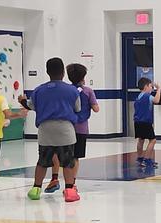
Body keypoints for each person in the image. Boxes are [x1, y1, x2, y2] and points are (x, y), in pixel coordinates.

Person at [18, 57, 82, 202]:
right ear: (63, 72)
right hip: (65, 130)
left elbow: (31, 105)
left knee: (42, 161)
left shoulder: (39, 90)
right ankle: (70, 191)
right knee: (67, 162)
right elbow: (77, 108)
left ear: (47, 72)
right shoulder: (71, 90)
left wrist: (22, 100)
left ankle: (36, 189)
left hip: (45, 130)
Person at [45, 64, 100, 193]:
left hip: (65, 126)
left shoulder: (66, 90)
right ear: (83, 77)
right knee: (75, 157)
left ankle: (54, 178)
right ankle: (72, 184)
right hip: (81, 128)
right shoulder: (88, 91)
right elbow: (96, 109)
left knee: (58, 154)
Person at [134, 77, 161, 167]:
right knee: (153, 140)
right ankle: (147, 159)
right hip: (145, 121)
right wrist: (159, 90)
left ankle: (140, 158)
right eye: (151, 86)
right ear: (146, 86)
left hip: (137, 121)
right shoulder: (147, 96)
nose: (152, 88)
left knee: (141, 139)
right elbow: (157, 100)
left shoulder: (138, 96)